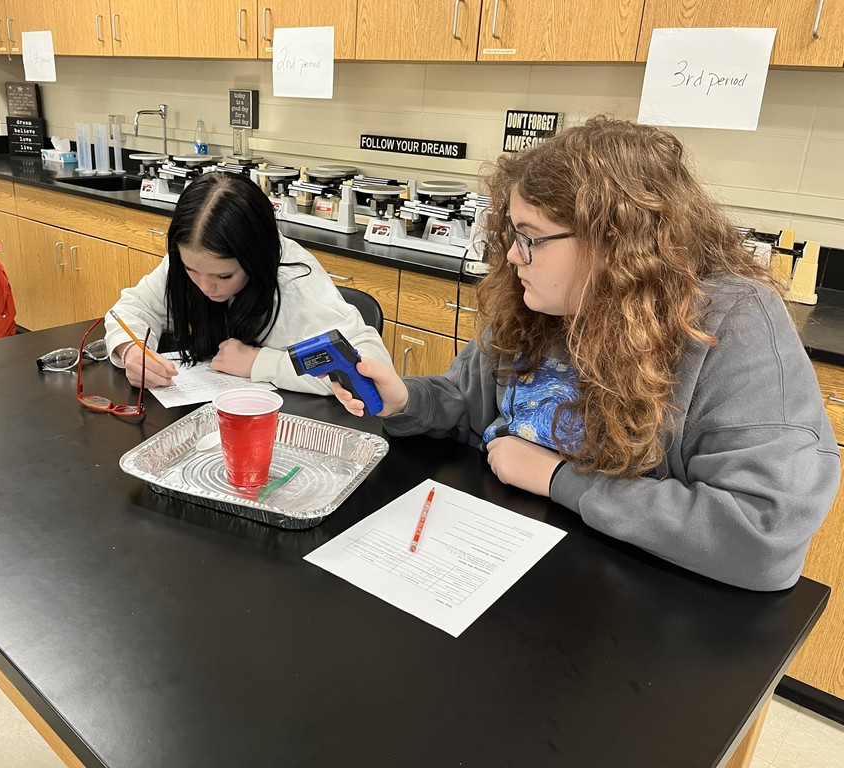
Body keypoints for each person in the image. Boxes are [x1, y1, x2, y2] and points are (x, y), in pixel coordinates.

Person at [333, 116, 840, 592]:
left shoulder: (733, 324)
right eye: (513, 234)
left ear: (615, 244)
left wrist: (560, 479)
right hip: (512, 563)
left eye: (530, 239)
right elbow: (468, 403)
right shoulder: (541, 301)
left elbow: (763, 537)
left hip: (647, 609)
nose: (512, 256)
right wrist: (406, 401)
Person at [104, 172, 392, 393]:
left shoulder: (294, 281)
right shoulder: (191, 259)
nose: (204, 287)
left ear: (256, 260)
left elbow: (369, 366)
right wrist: (130, 350)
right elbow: (132, 309)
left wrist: (262, 363)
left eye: (224, 276)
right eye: (191, 270)